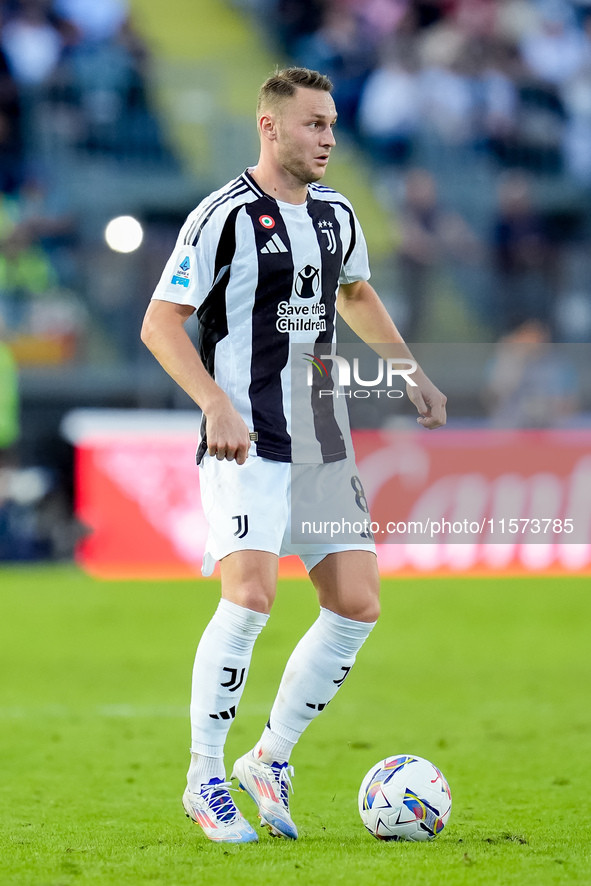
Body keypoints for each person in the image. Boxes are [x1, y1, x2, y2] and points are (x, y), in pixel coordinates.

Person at [141, 66, 446, 845]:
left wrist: (409, 372)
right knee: (249, 597)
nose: (329, 139)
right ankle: (203, 776)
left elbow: (355, 292)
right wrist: (212, 402)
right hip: (245, 437)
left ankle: (268, 757)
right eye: (314, 125)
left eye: (334, 125)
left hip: (322, 440)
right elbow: (160, 324)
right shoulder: (223, 217)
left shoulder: (339, 213)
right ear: (269, 127)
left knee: (357, 604)